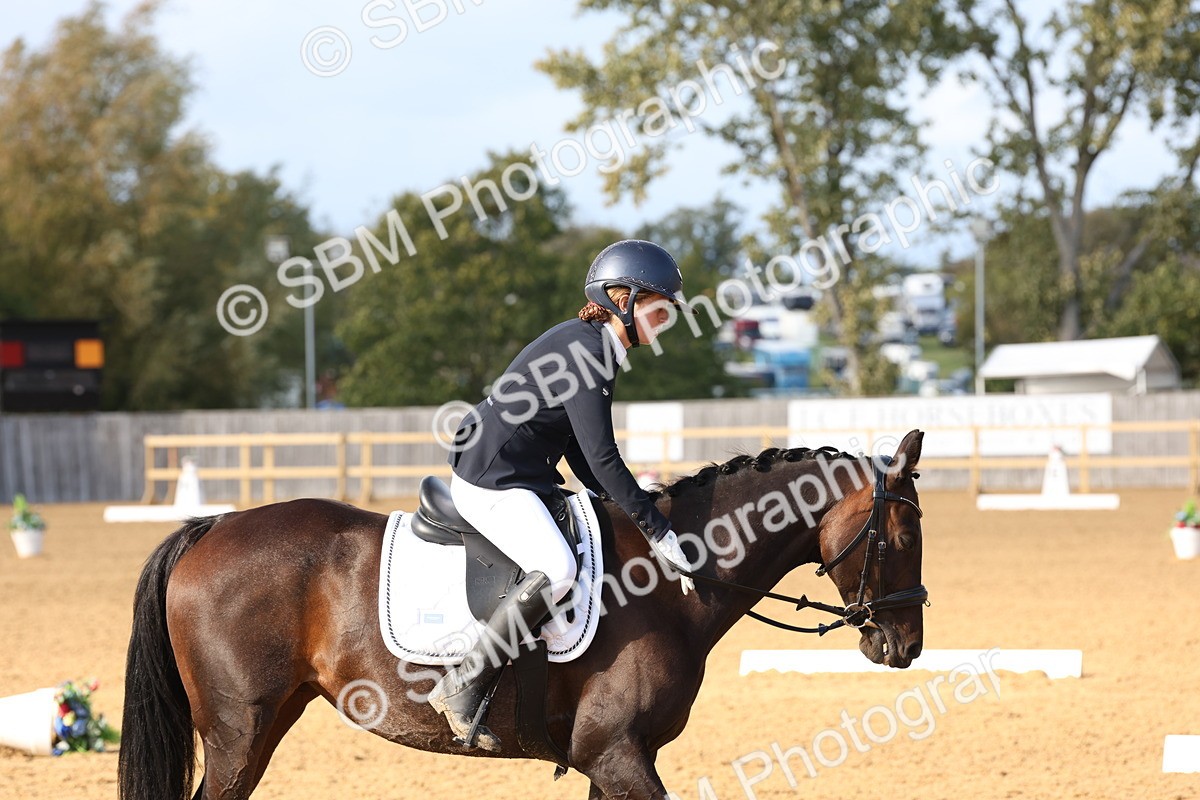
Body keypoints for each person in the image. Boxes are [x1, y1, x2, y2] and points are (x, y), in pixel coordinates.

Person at [427, 239, 698, 750]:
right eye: (658, 306)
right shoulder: (588, 350)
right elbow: (601, 457)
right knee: (558, 569)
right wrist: (657, 529)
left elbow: (576, 446)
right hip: (494, 478)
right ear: (623, 298)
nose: (667, 319)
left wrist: (615, 503)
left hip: (521, 471)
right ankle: (464, 683)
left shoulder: (593, 343)